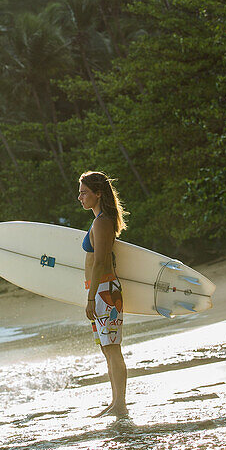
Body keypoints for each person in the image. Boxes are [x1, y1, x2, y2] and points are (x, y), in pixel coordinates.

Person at [78, 170, 128, 416]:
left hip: (105, 291)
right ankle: (115, 401)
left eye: (84, 192)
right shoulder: (99, 220)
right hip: (99, 290)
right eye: (80, 192)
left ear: (98, 194)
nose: (80, 197)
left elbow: (100, 262)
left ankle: (121, 404)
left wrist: (90, 298)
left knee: (113, 348)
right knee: (106, 348)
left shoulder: (103, 222)